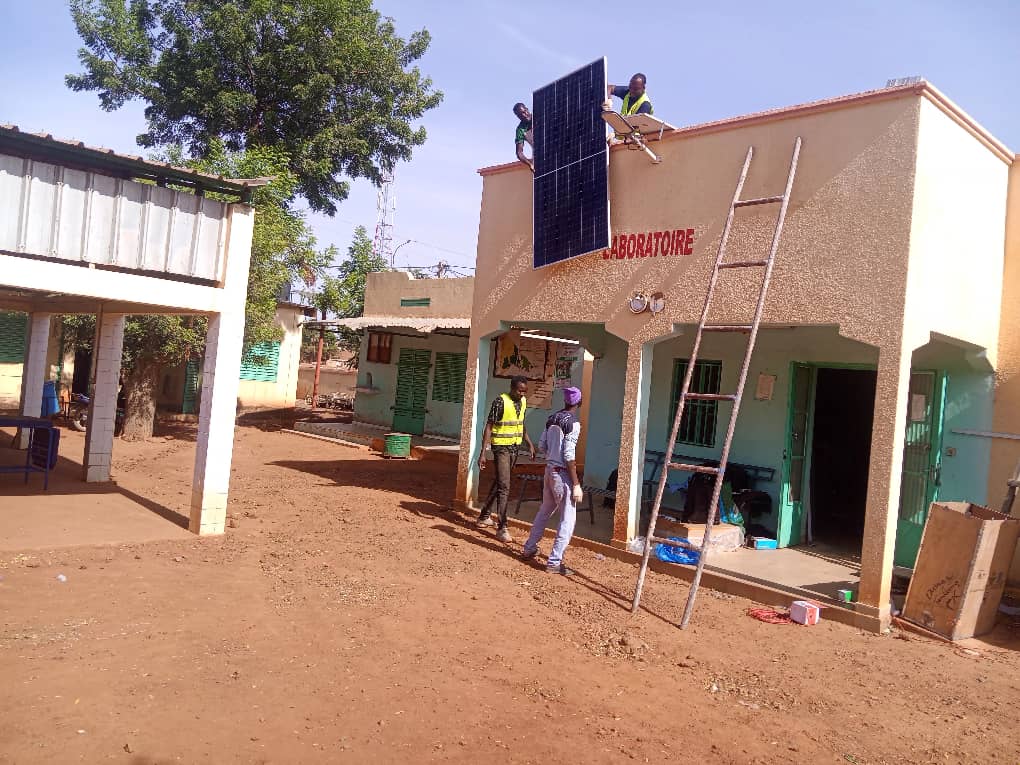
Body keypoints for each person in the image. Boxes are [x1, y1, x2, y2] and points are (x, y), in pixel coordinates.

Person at [521, 387, 584, 575]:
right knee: (567, 519)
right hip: (562, 474)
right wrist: (576, 484)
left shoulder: (552, 418)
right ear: (579, 403)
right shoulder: (574, 424)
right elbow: (569, 456)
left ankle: (529, 548)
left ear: (565, 401)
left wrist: (552, 458)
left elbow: (541, 445)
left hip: (549, 471)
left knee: (544, 510)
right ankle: (554, 562)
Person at [478, 375, 536, 542]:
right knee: (505, 486)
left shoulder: (523, 402)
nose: (522, 394)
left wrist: (529, 443)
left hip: (514, 448)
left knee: (500, 482)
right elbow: (489, 427)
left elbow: (520, 423)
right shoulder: (500, 402)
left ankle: (484, 516)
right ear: (512, 388)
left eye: (525, 391)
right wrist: (483, 452)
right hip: (500, 448)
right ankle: (502, 527)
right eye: (519, 391)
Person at [513, 102, 534, 172]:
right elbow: (519, 153)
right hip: (540, 156)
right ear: (518, 117)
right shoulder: (520, 130)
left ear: (527, 109)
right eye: (520, 115)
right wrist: (530, 164)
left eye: (524, 112)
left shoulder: (539, 114)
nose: (524, 115)